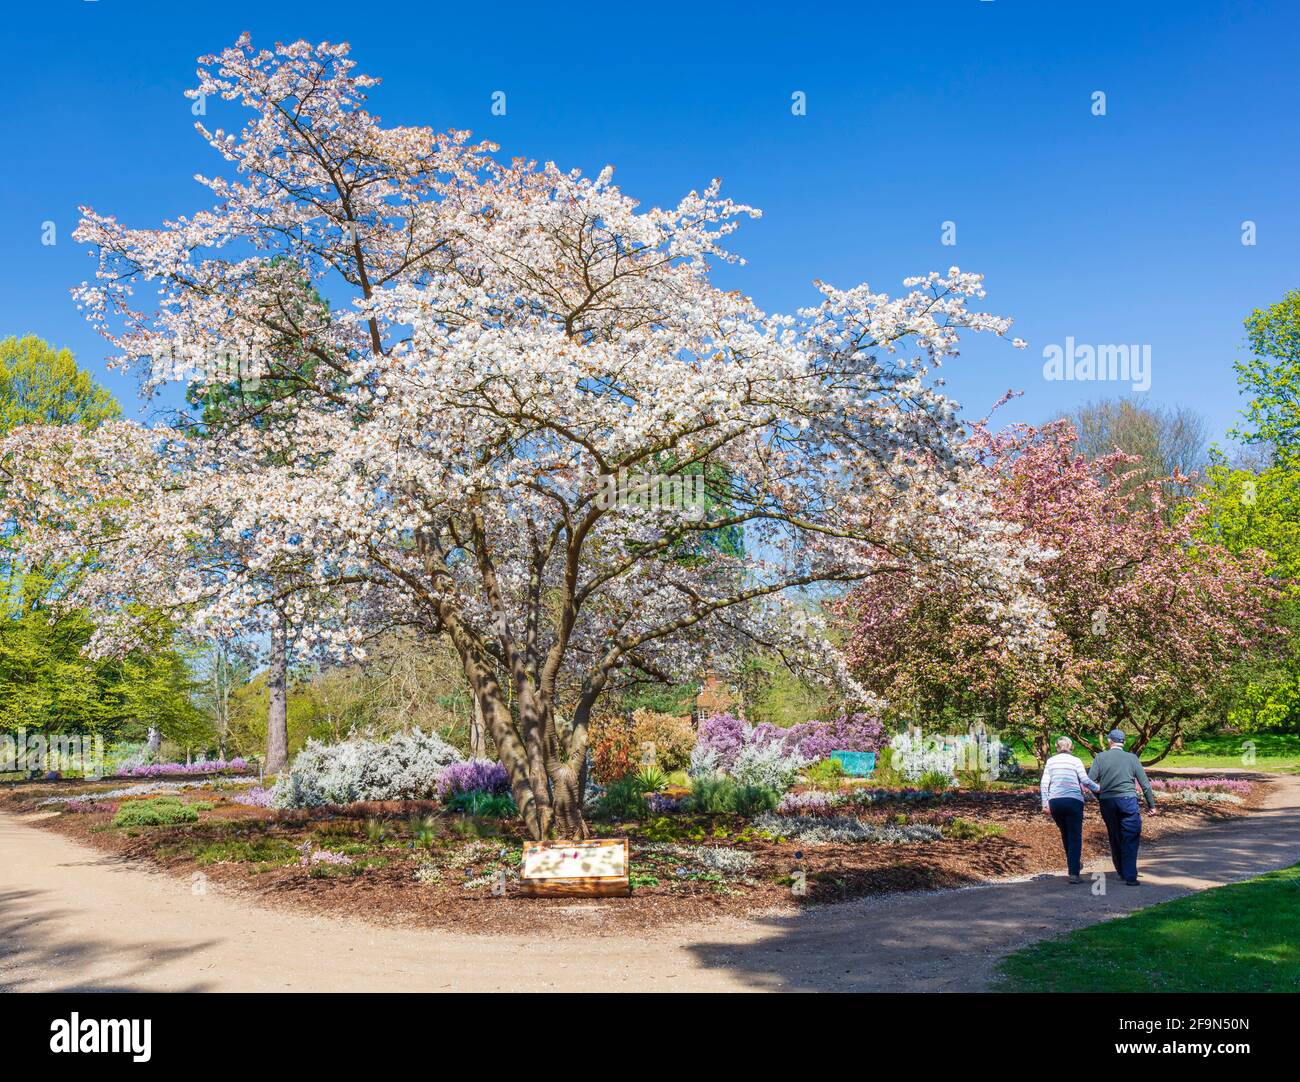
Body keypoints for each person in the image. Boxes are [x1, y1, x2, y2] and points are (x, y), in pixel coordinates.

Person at [1088, 729, 1157, 886]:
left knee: (1115, 835)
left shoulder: (1100, 757)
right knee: (1130, 836)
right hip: (1128, 800)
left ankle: (1120, 870)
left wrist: (1100, 796)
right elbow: (1145, 784)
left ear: (1109, 741)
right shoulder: (1132, 758)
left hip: (1108, 802)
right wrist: (1151, 805)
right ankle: (1130, 876)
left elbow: (1090, 781)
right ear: (1123, 742)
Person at [1040, 736, 1100, 883]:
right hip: (1073, 801)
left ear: (1057, 747)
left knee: (1065, 833)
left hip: (1056, 802)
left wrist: (1045, 804)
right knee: (1074, 836)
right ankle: (1073, 872)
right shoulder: (1076, 761)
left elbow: (1044, 782)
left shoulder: (1051, 761)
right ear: (1071, 747)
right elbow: (1085, 781)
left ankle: (1073, 864)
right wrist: (1098, 788)